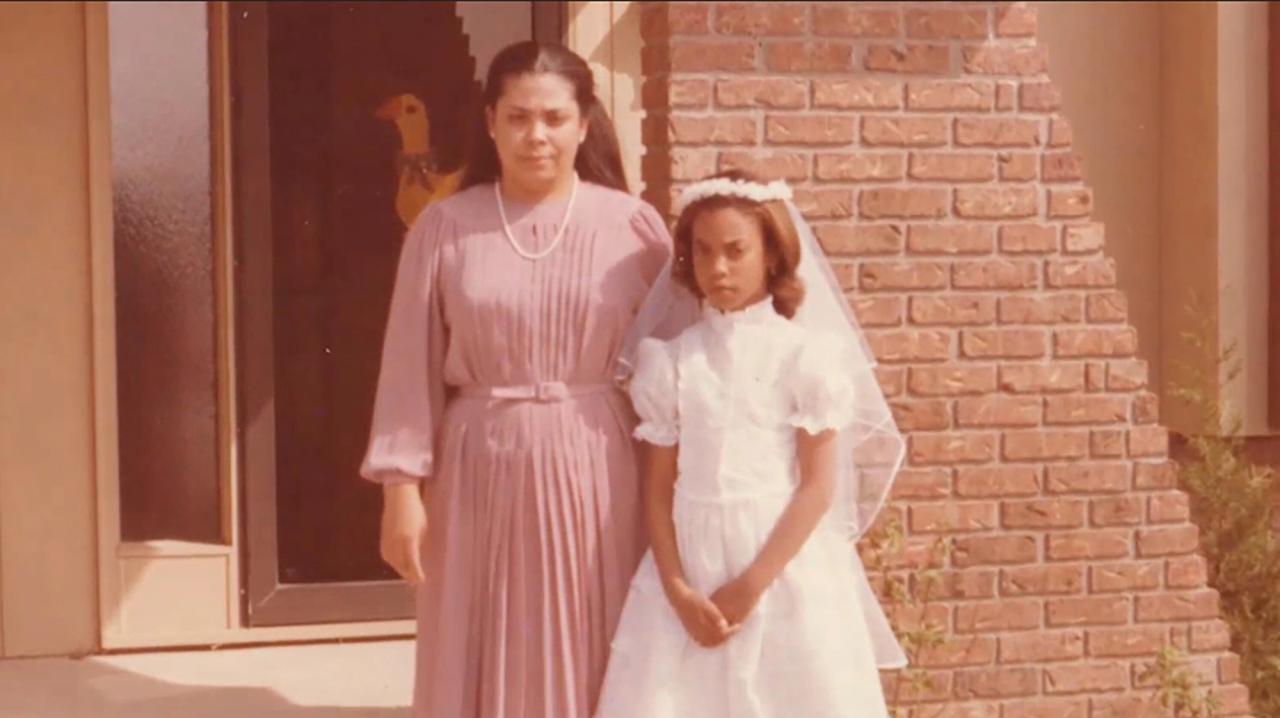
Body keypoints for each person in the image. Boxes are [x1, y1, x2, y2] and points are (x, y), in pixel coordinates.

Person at [359, 40, 671, 718]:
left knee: (596, 639)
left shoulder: (633, 227)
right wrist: (400, 489)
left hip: (600, 469)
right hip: (479, 465)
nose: (537, 136)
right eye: (519, 117)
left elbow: (676, 366)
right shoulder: (444, 227)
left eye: (555, 118)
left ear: (583, 124)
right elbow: (409, 361)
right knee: (478, 640)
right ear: (491, 123)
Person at [594, 171, 908, 718]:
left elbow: (817, 488)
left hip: (779, 563)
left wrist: (750, 586)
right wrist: (677, 589)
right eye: (703, 251)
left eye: (735, 251)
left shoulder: (803, 357)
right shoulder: (672, 361)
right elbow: (658, 490)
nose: (718, 267)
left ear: (771, 254)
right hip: (691, 563)